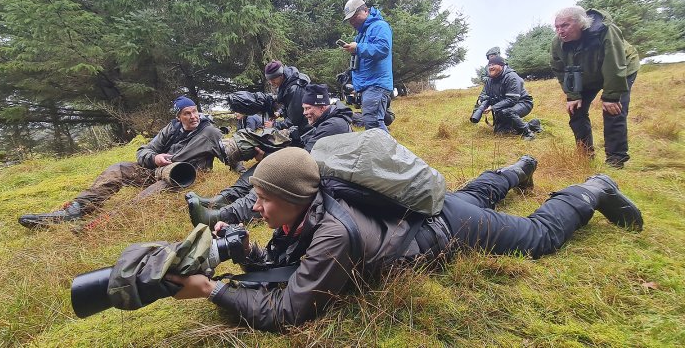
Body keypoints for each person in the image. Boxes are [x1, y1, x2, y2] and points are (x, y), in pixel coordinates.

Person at [166, 147, 642, 331]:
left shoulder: (333, 232)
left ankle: (591, 188)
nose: (257, 208)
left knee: (537, 237)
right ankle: (516, 170)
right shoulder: (304, 209)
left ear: (294, 196)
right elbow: (287, 258)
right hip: (433, 211)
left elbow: (289, 311)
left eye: (265, 200)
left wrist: (215, 289)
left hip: (447, 230)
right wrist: (248, 251)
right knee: (472, 195)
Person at [18, 96, 226, 228]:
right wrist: (154, 158)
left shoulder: (210, 132)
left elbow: (229, 153)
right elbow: (144, 150)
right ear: (179, 116)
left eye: (194, 111)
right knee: (118, 169)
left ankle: (101, 224)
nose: (193, 116)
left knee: (145, 197)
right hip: (157, 170)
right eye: (187, 113)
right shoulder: (170, 129)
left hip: (180, 178)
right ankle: (75, 210)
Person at [185, 84, 353, 226]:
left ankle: (226, 216)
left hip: (327, 181)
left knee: (275, 177)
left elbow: (304, 160)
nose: (304, 113)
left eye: (308, 108)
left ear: (322, 106)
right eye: (303, 108)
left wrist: (272, 158)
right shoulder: (324, 121)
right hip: (315, 170)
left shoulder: (334, 125)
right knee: (266, 164)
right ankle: (223, 199)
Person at [551, 6, 640, 168]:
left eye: (565, 25)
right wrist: (573, 95)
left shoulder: (605, 31)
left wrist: (611, 96)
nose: (560, 31)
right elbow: (562, 69)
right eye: (557, 27)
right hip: (588, 74)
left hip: (622, 68)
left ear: (581, 23)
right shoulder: (558, 43)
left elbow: (614, 63)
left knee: (613, 110)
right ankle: (585, 155)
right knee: (575, 110)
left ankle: (615, 159)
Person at [341, 0, 394, 132]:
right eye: (349, 19)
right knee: (371, 123)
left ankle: (390, 153)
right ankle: (381, 152)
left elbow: (383, 49)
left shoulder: (379, 26)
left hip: (376, 83)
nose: (352, 22)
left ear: (365, 11)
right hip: (368, 85)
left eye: (354, 16)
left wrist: (357, 48)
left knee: (374, 123)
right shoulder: (362, 33)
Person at [475, 56, 542, 140]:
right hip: (504, 105)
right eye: (489, 65)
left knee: (506, 112)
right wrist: (481, 101)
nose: (491, 67)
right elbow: (485, 94)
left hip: (523, 102)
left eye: (494, 64)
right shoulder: (490, 80)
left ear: (501, 65)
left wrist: (493, 107)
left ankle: (528, 133)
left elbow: (512, 99)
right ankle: (533, 124)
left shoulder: (512, 77)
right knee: (501, 132)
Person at [262, 60, 311, 134]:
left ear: (281, 75)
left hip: (306, 130)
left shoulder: (295, 88)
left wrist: (274, 125)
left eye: (273, 79)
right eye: (269, 80)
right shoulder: (286, 84)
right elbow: (288, 105)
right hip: (298, 128)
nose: (271, 83)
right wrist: (279, 113)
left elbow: (294, 119)